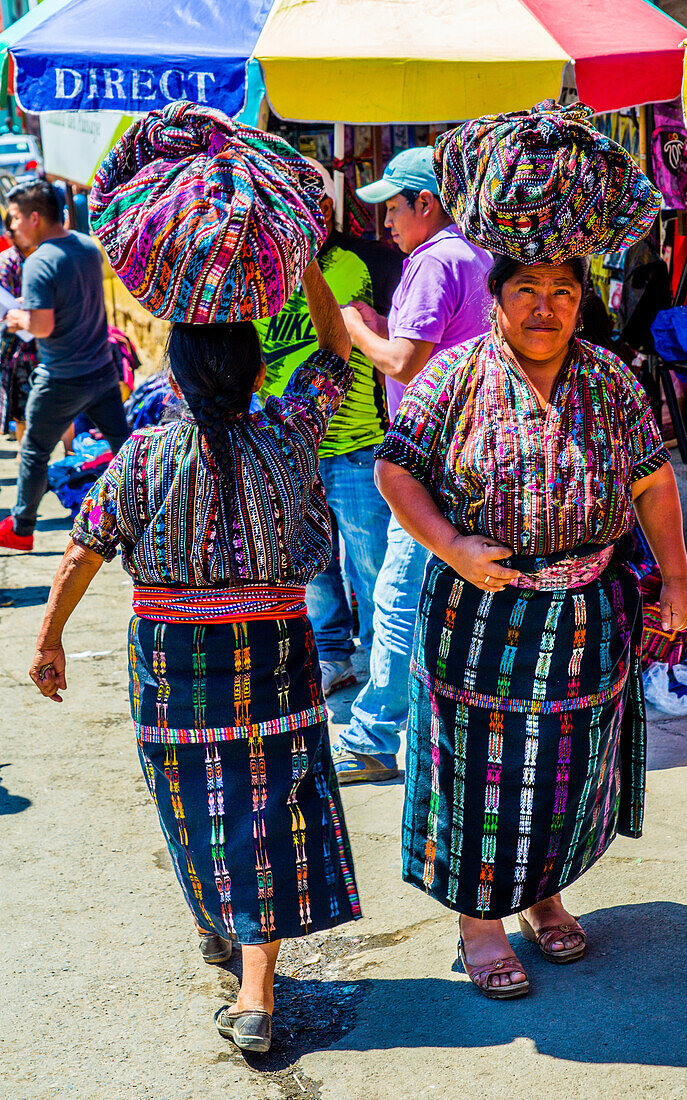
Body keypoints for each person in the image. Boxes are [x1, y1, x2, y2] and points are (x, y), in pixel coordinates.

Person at [29, 259, 361, 1053]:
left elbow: (81, 552)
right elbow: (336, 352)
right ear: (255, 373)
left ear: (173, 378)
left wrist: (49, 641)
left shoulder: (142, 456)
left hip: (175, 664)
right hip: (276, 651)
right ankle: (246, 955)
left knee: (196, 802)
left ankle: (249, 983)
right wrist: (309, 268)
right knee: (271, 803)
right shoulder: (288, 430)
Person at [373, 255, 687, 997]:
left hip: (587, 611)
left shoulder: (608, 378)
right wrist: (449, 546)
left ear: (582, 300)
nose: (544, 308)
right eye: (526, 290)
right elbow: (395, 468)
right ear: (497, 298)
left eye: (562, 292)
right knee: (475, 774)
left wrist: (676, 578)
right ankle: (479, 920)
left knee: (565, 769)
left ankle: (543, 896)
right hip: (479, 610)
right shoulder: (455, 374)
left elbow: (649, 478)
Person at [334, 146, 494, 782]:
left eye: (394, 208)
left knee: (397, 595)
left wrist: (354, 327)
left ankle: (373, 736)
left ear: (427, 203)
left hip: (431, 453)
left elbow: (404, 363)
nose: (385, 224)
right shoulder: (477, 254)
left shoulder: (433, 263)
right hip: (471, 447)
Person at [256, 161, 401, 696]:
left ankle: (379, 664)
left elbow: (399, 346)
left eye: (306, 199)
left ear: (326, 206)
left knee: (371, 566)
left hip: (358, 444)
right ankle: (331, 655)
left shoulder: (365, 265)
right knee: (311, 566)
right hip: (284, 446)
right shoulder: (260, 271)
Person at [0, 179, 129, 551]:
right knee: (122, 447)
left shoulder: (39, 261)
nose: (12, 227)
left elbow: (42, 326)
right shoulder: (89, 248)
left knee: (36, 450)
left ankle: (22, 529)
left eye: (15, 219)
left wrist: (16, 319)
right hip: (101, 369)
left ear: (35, 217)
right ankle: (148, 508)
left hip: (60, 377)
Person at [0, 213, 37, 446]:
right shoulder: (6, 261)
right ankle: (26, 461)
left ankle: (69, 453)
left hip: (44, 342)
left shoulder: (43, 256)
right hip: (15, 348)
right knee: (21, 411)